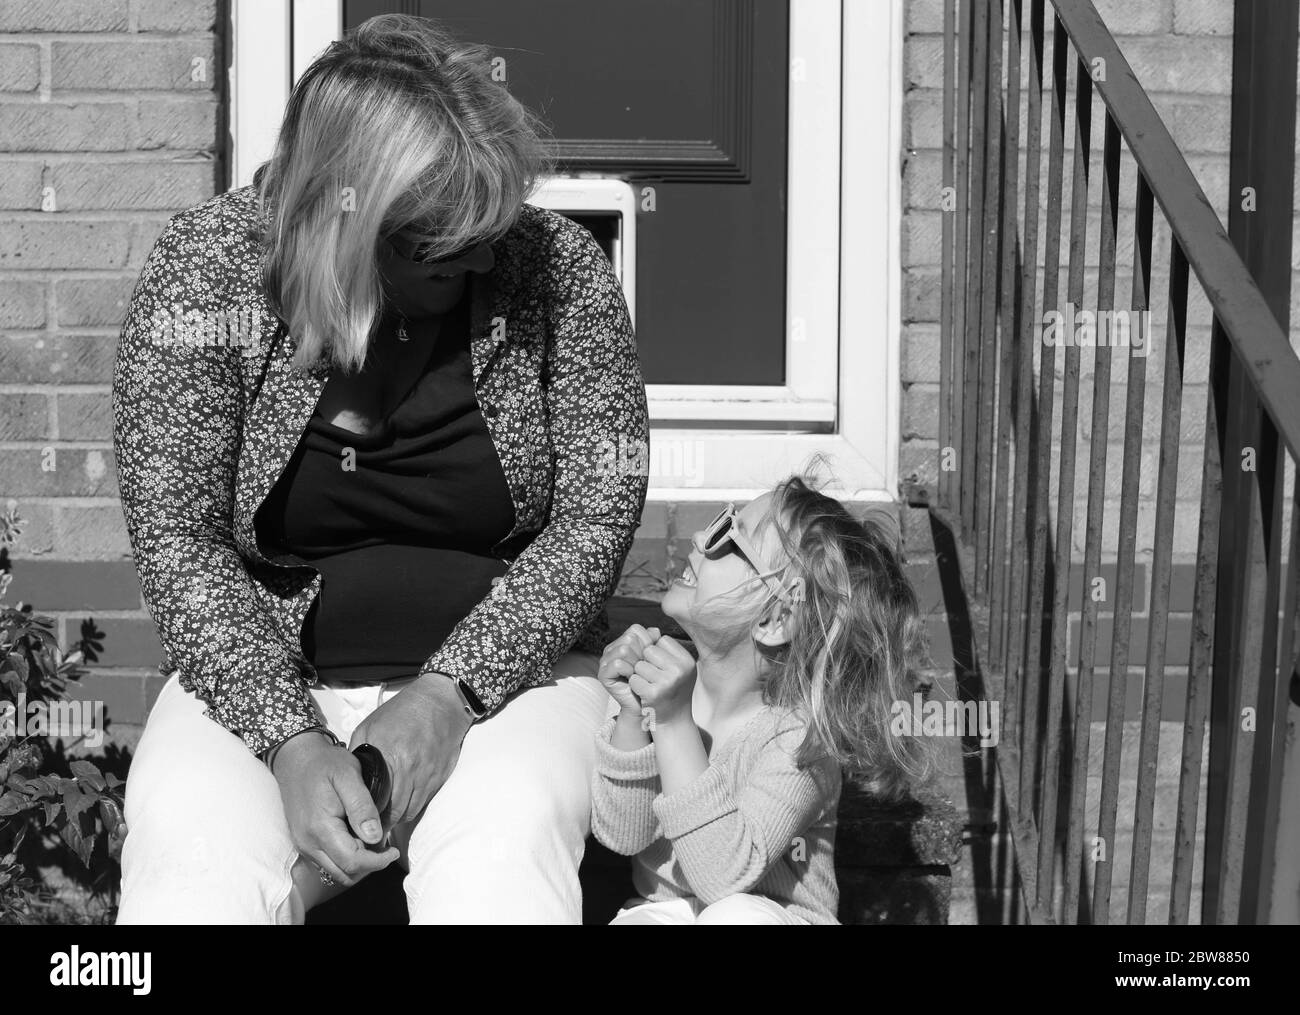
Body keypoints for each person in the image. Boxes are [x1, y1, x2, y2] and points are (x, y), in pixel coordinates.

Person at [111, 13, 648, 924]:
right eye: (444, 247)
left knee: (500, 855)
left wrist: (449, 694)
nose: (485, 255)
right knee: (189, 867)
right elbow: (177, 535)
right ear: (348, 227)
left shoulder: (557, 266)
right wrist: (287, 736)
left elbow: (599, 510)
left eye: (494, 224)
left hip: (513, 679)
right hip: (261, 666)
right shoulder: (206, 270)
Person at [590, 475, 929, 925]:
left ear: (776, 618)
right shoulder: (660, 689)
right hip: (666, 910)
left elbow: (722, 880)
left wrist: (673, 724)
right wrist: (634, 716)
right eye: (719, 522)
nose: (699, 539)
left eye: (729, 538)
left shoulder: (799, 742)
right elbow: (623, 835)